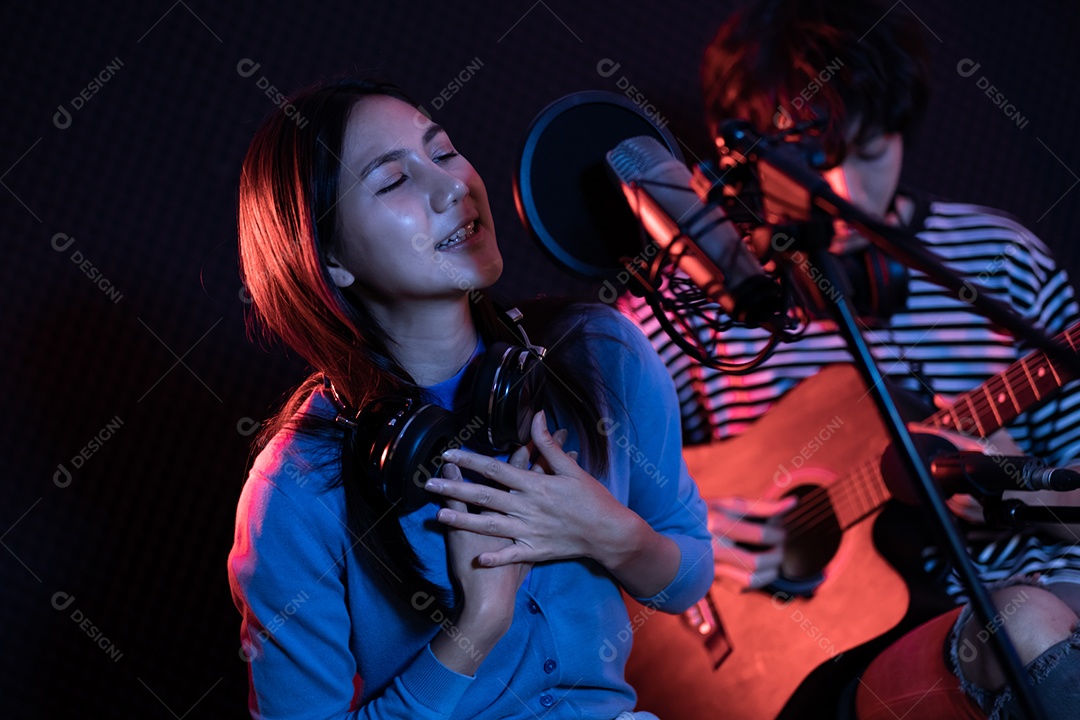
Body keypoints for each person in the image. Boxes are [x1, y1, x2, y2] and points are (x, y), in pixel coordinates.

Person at [619, 0, 1080, 717]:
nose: (843, 194)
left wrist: (1014, 485)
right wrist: (682, 535)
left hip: (1037, 601)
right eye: (812, 166)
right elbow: (578, 471)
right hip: (826, 661)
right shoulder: (687, 307)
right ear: (744, 161)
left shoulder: (1004, 261)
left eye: (869, 153)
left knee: (1027, 625)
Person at [226, 78, 712, 720]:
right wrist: (472, 630)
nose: (452, 186)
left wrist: (611, 534)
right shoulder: (294, 491)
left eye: (444, 151)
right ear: (330, 257)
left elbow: (690, 576)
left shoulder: (600, 351)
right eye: (393, 180)